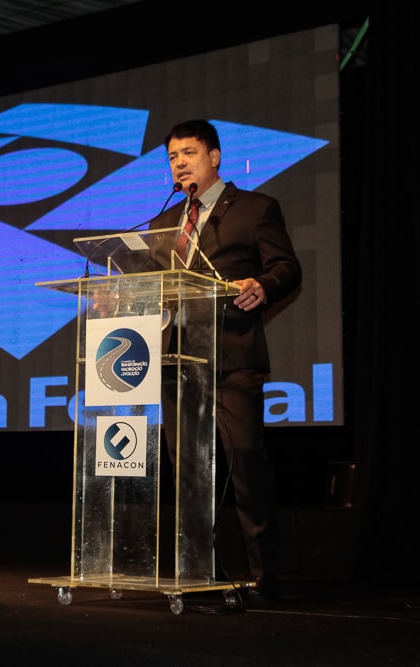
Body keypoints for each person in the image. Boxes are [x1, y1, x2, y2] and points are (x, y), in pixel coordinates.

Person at [149, 119, 302, 601]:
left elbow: (287, 268)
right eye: (173, 157)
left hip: (232, 356)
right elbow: (153, 288)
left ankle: (264, 576)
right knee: (188, 472)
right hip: (178, 361)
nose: (179, 163)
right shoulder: (161, 224)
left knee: (246, 464)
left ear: (214, 157)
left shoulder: (255, 209)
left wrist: (263, 285)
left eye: (189, 153)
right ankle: (201, 574)